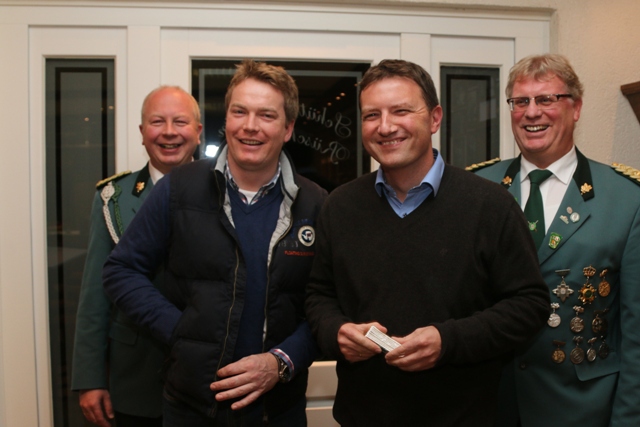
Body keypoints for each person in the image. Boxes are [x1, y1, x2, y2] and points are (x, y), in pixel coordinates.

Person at [305, 59, 550, 427]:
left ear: (435, 118)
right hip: (363, 418)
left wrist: (447, 341)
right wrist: (335, 331)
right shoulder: (339, 206)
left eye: (401, 111)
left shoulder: (490, 205)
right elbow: (318, 296)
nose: (385, 126)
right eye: (372, 115)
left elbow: (529, 305)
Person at [103, 59, 328, 426]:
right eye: (240, 112)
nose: (250, 126)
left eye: (266, 115)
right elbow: (121, 270)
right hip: (191, 408)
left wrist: (282, 361)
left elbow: (327, 303)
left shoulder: (316, 203)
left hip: (278, 411)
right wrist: (180, 331)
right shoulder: (178, 189)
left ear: (287, 128)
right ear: (226, 120)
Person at [469, 53, 640, 427]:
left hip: (582, 409)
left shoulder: (627, 199)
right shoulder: (475, 189)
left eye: (546, 99)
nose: (531, 112)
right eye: (520, 101)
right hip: (488, 404)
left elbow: (636, 335)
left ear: (575, 108)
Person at [71, 85, 202, 427]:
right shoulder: (113, 198)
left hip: (206, 375)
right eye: (157, 122)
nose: (169, 132)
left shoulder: (223, 191)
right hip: (135, 376)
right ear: (143, 132)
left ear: (198, 132)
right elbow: (95, 295)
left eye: (180, 122)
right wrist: (90, 379)